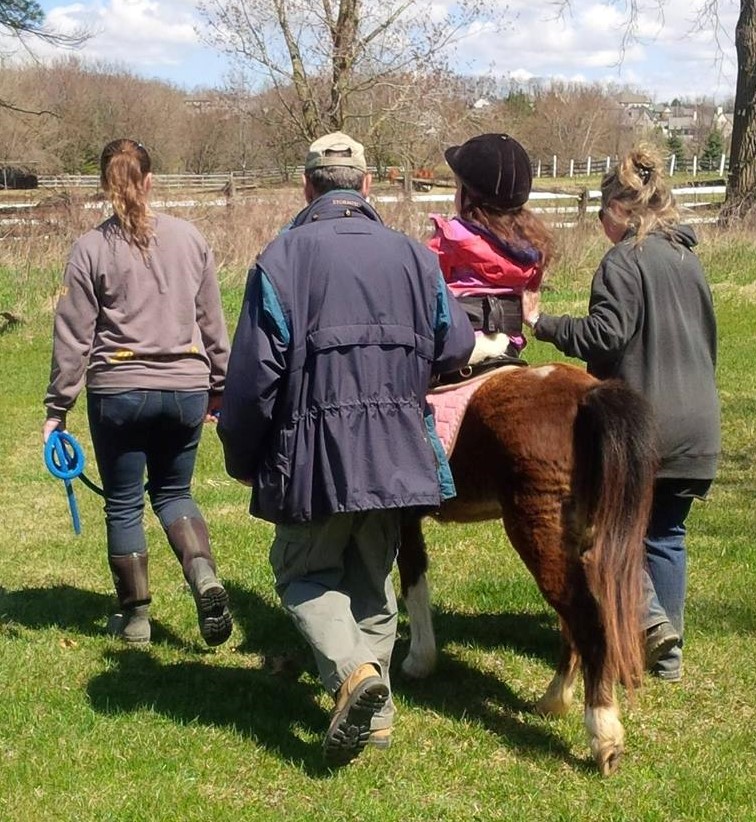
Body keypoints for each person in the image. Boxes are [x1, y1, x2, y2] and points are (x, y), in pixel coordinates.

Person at [217, 131, 474, 764]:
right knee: (369, 580)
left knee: (302, 572)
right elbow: (457, 344)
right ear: (366, 187)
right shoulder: (417, 258)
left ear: (308, 188)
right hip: (397, 453)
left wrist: (242, 457)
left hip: (316, 454)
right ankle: (377, 717)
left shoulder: (281, 259)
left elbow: (252, 382)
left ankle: (353, 677)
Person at [522, 145, 721, 682]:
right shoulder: (688, 259)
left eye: (602, 211)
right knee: (665, 535)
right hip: (699, 423)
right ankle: (666, 658)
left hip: (643, 425)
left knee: (610, 531)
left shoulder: (623, 261)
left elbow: (605, 334)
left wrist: (544, 324)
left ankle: (649, 624)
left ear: (619, 209)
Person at [43, 138, 233, 647]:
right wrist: (220, 386)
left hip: (119, 391)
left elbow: (73, 336)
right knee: (174, 493)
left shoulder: (90, 248)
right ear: (150, 181)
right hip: (186, 390)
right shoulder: (191, 238)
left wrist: (57, 408)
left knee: (124, 503)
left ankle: (135, 619)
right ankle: (204, 578)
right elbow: (213, 323)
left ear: (107, 185)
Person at [428, 132, 554, 376]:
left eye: (458, 187)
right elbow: (531, 292)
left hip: (457, 350)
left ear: (468, 197)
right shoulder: (532, 248)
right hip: (508, 348)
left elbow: (426, 288)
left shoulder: (449, 239)